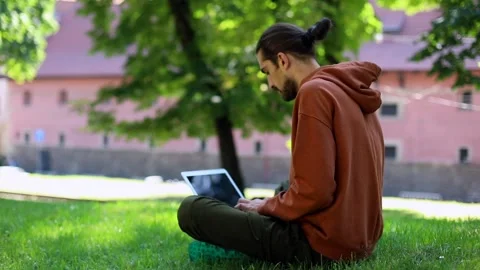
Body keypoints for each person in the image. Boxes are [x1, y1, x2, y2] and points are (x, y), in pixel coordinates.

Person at [177, 17, 385, 266]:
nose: (270, 84)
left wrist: (267, 208)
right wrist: (274, 203)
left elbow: (315, 192)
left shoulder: (313, 93)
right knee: (283, 188)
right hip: (359, 239)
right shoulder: (350, 92)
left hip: (323, 246)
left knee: (191, 210)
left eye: (267, 71)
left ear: (283, 60)